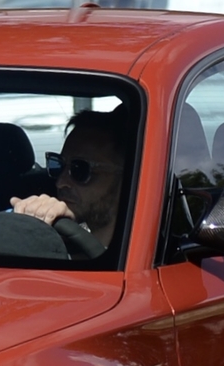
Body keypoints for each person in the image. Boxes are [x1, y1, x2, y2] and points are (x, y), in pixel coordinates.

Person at [9, 108, 132, 258]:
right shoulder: (52, 243)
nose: (60, 182)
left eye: (79, 170)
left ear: (127, 178)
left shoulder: (148, 254)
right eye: (58, 165)